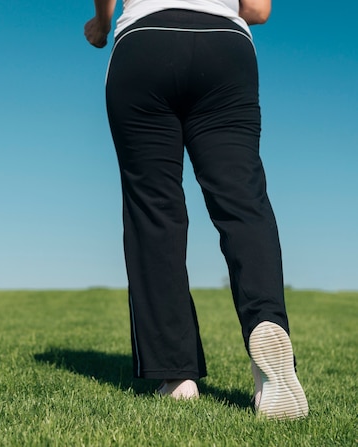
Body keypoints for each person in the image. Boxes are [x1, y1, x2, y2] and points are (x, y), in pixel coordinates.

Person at [84, 0, 308, 419]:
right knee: (243, 201)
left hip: (144, 43)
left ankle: (177, 377)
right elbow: (258, 10)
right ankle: (267, 341)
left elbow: (106, 7)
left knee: (154, 211)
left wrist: (100, 24)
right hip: (225, 46)